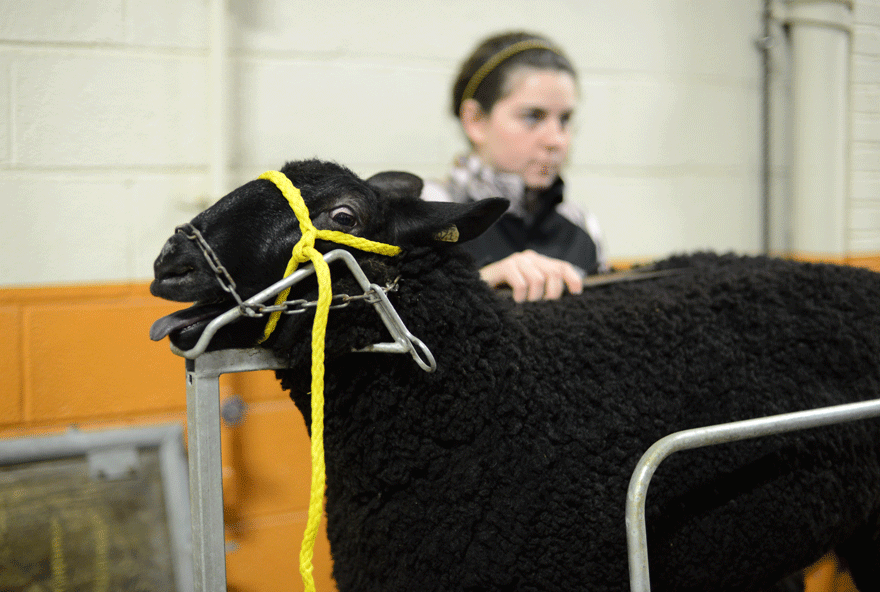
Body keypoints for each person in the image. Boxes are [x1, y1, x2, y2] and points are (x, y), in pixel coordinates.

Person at [422, 31, 607, 302]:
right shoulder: (425, 210)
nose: (556, 140)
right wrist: (481, 284)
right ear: (475, 121)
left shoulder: (581, 223)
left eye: (565, 119)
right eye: (533, 116)